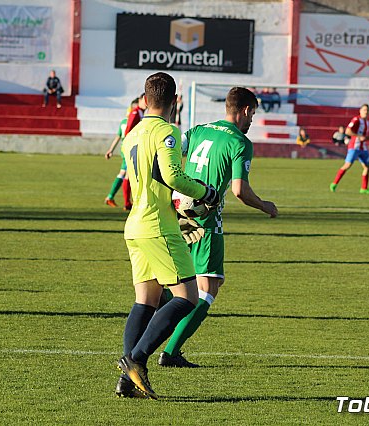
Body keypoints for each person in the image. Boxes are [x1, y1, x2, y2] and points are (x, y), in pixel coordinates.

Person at [115, 72, 220, 399]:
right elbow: (171, 175)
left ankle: (126, 381)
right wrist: (206, 191)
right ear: (174, 101)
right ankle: (136, 359)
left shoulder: (130, 136)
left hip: (134, 225)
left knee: (144, 300)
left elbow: (148, 179)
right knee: (186, 297)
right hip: (157, 225)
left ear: (145, 100)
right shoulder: (167, 131)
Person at [158, 87, 278, 368]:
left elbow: (168, 155)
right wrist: (265, 206)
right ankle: (170, 350)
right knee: (208, 286)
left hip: (178, 213)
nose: (251, 122)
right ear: (246, 110)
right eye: (253, 114)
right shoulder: (240, 142)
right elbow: (240, 190)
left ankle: (159, 320)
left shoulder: (198, 130)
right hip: (206, 221)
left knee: (177, 279)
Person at [330, 104, 369, 194]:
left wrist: (366, 138)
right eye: (364, 110)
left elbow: (362, 135)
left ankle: (364, 188)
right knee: (347, 165)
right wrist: (359, 136)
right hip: (354, 146)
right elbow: (348, 131)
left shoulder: (367, 122)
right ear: (360, 111)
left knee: (367, 167)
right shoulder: (356, 120)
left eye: (367, 110)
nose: (366, 112)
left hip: (363, 147)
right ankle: (334, 183)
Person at [104, 98, 138, 208]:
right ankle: (126, 202)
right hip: (130, 152)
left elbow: (118, 137)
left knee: (123, 174)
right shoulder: (134, 122)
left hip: (124, 151)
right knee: (127, 175)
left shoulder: (123, 122)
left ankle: (112, 197)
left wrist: (111, 150)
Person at [120, 93, 147, 210]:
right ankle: (127, 202)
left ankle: (129, 201)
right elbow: (128, 131)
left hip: (136, 147)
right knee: (128, 175)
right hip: (132, 148)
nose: (147, 103)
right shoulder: (135, 112)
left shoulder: (141, 113)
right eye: (146, 100)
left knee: (131, 175)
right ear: (141, 100)